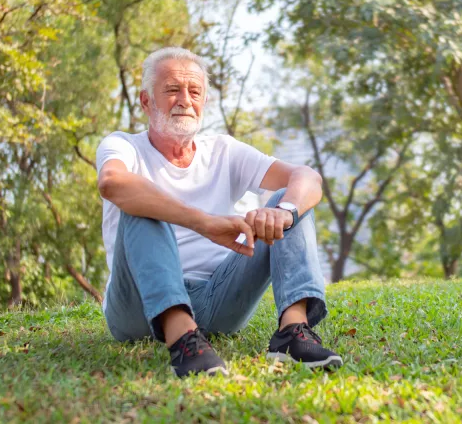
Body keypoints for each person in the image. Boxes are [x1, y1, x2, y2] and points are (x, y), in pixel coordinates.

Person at [95, 47, 342, 377]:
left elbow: (308, 177)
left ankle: (292, 333)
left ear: (203, 102)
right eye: (172, 90)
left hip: (218, 300)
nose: (185, 99)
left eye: (194, 91)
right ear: (145, 102)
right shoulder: (122, 146)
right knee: (140, 201)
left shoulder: (223, 151)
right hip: (137, 308)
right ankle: (182, 337)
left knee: (291, 199)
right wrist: (204, 223)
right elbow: (112, 183)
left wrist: (284, 212)